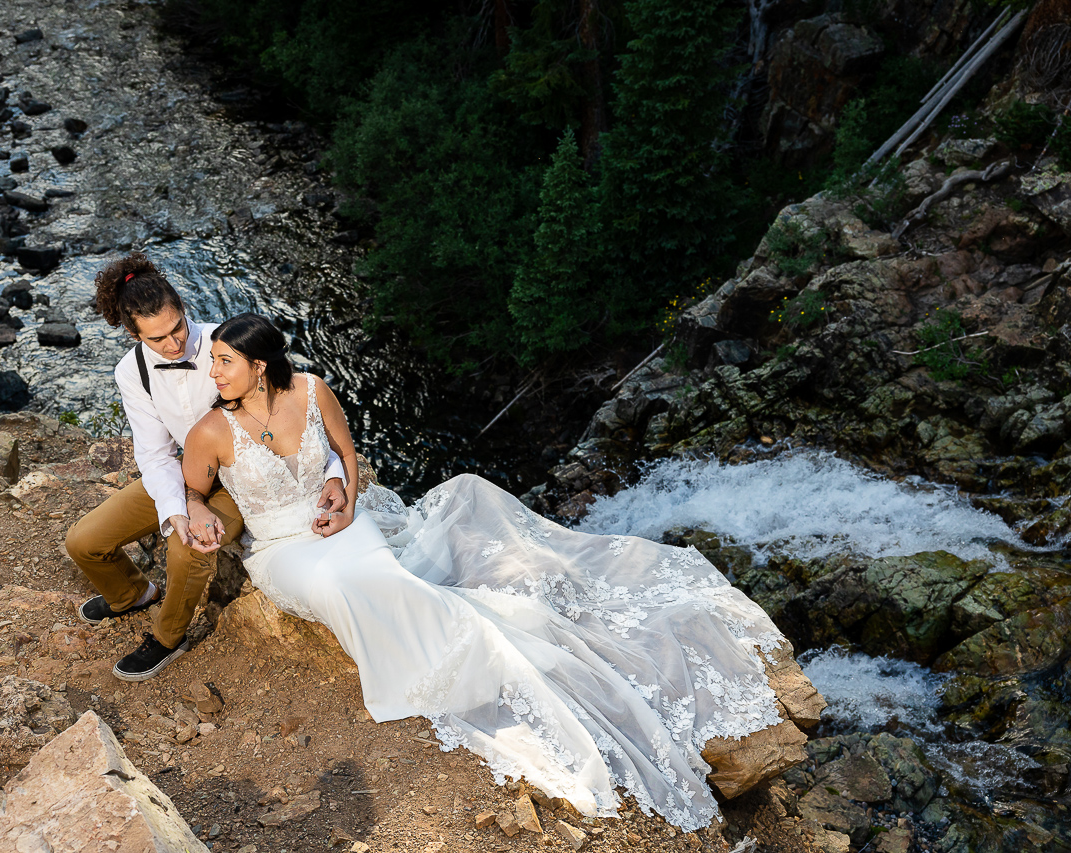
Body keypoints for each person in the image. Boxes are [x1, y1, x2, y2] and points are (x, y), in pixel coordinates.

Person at [182, 312, 791, 830]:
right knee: (333, 584)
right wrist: (198, 515)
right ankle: (432, 669)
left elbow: (345, 454)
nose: (214, 371)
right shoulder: (211, 429)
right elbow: (193, 494)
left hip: (338, 520)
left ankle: (486, 652)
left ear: (259, 366)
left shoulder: (312, 390)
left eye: (224, 361)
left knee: (388, 579)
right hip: (284, 547)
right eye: (213, 361)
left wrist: (344, 491)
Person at [64, 255, 347, 681]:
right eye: (158, 338)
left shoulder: (228, 342)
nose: (174, 344)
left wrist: (333, 473)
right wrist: (177, 509)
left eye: (177, 327)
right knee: (83, 541)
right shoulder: (132, 372)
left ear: (183, 306)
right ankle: (133, 594)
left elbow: (293, 415)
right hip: (186, 473)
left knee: (189, 550)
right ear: (132, 333)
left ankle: (167, 637)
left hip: (242, 479)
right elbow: (156, 454)